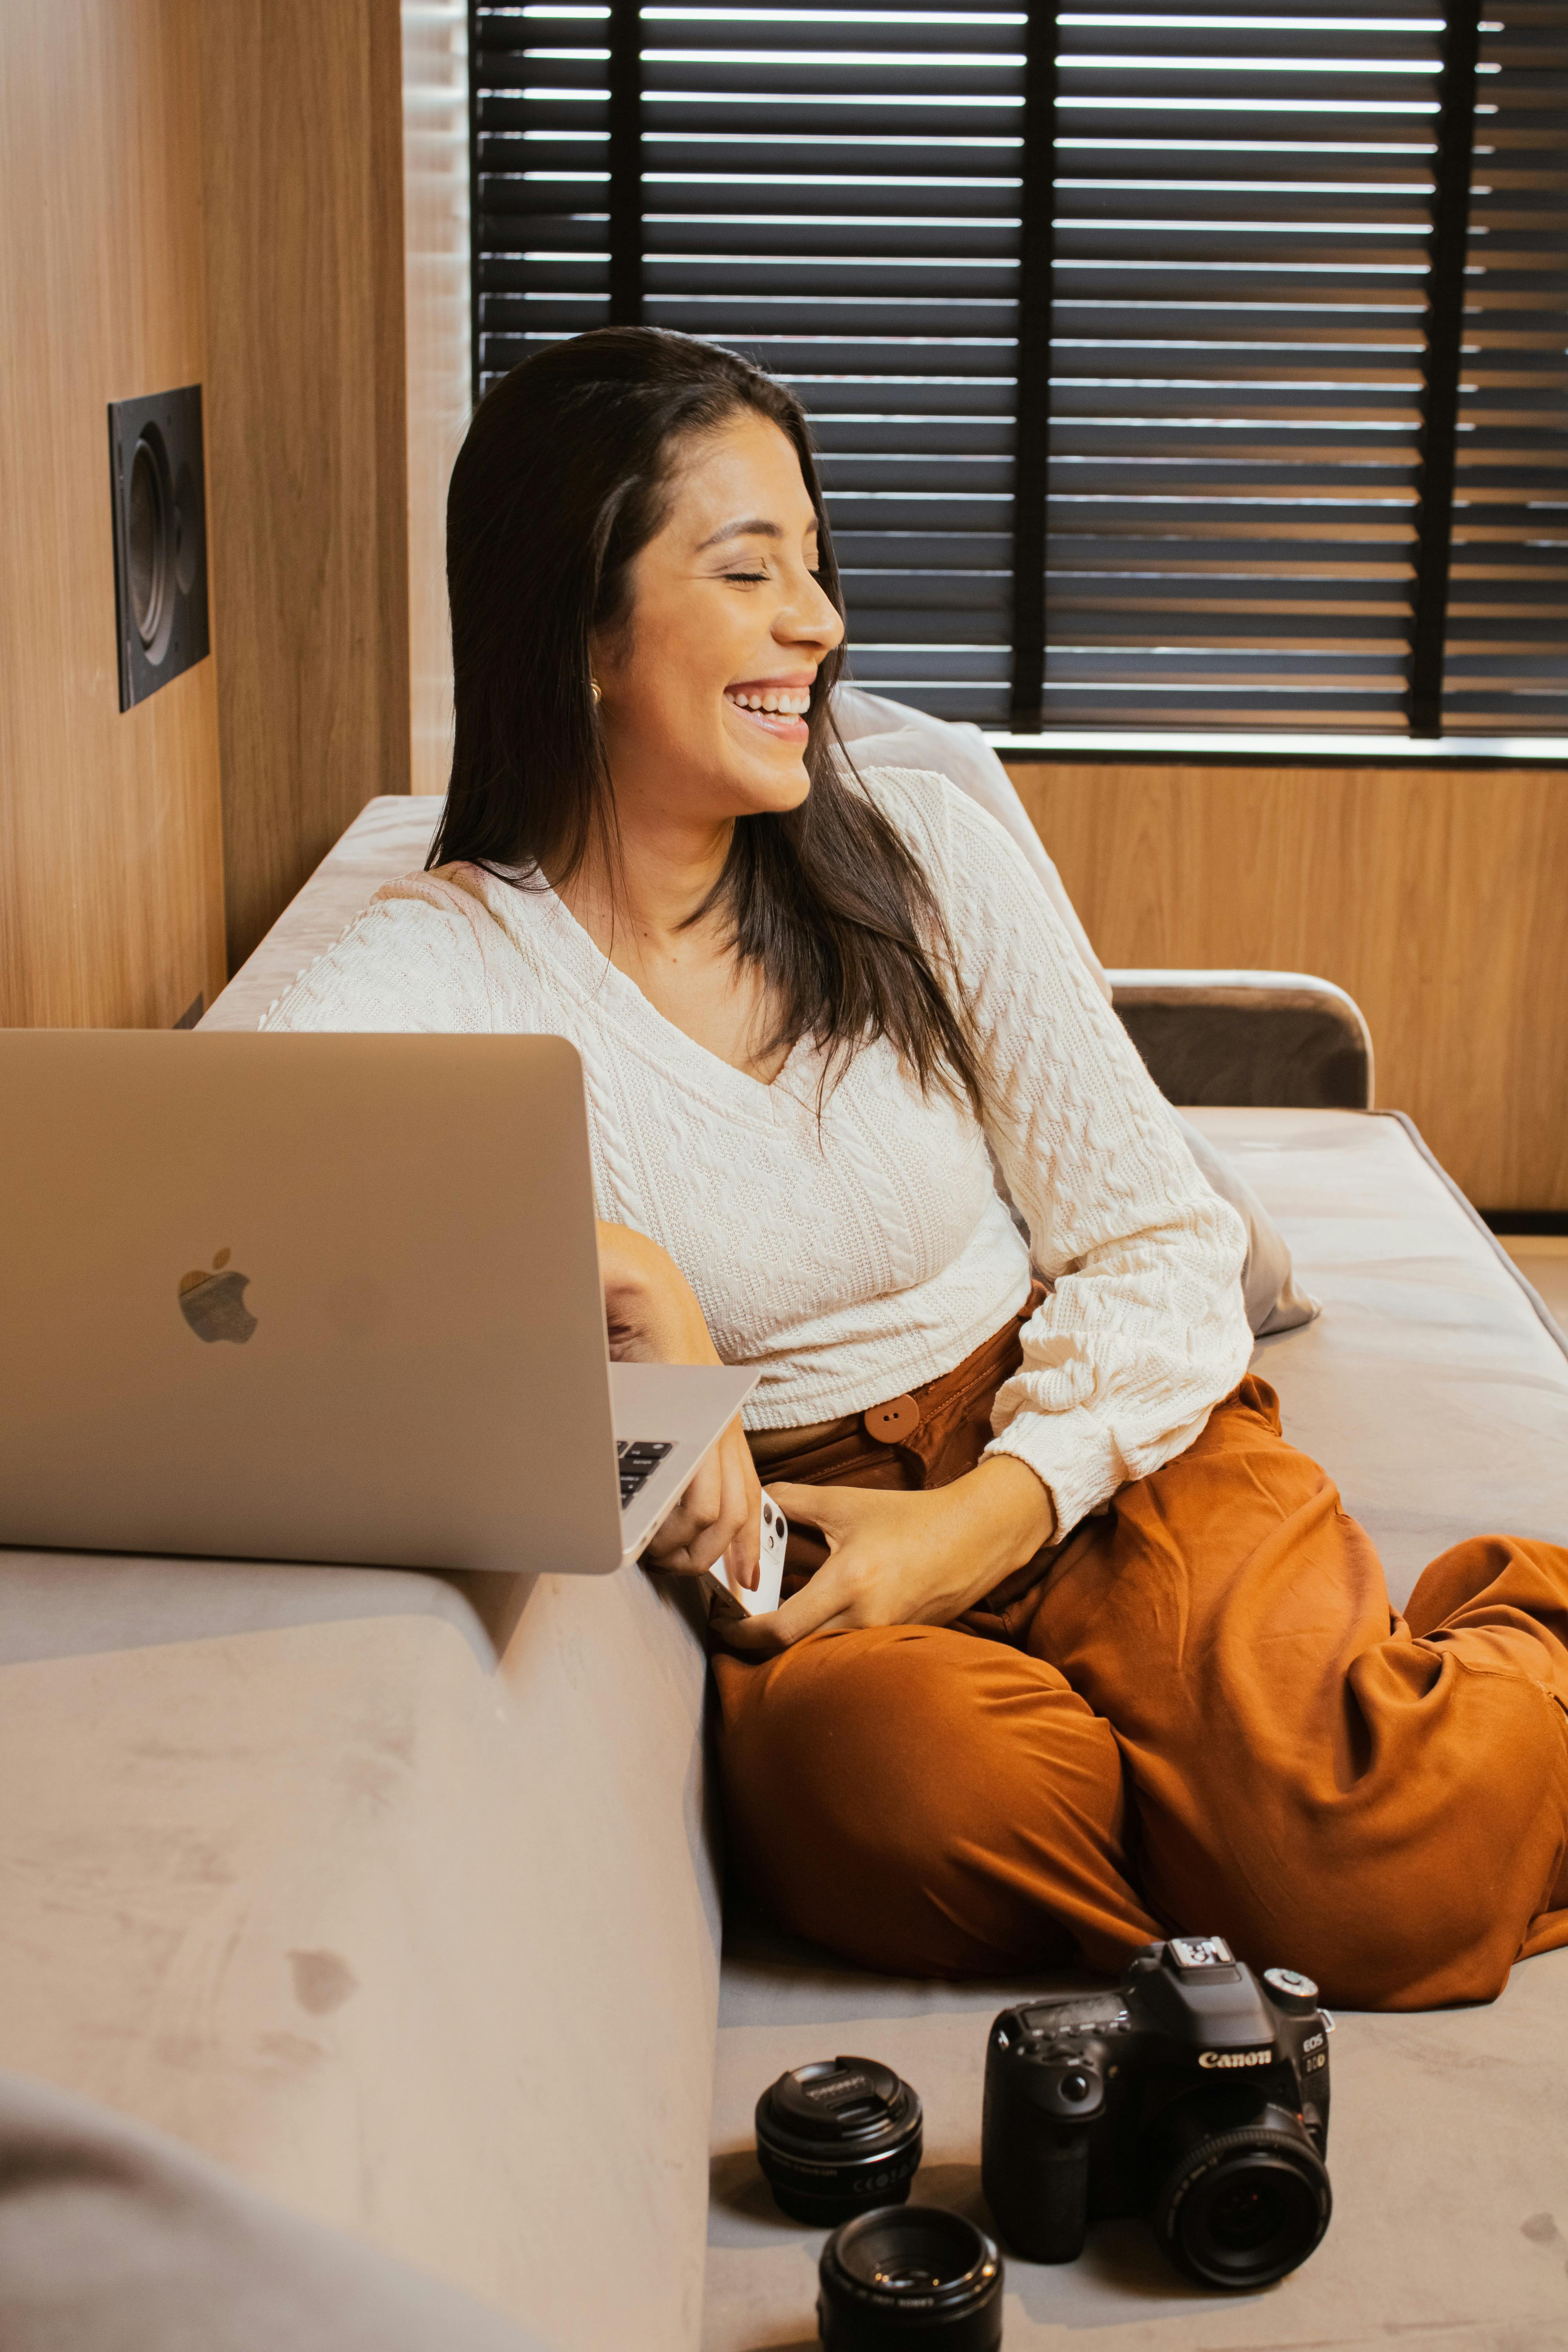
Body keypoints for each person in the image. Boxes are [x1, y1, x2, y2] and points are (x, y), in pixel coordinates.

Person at [264, 328, 1568, 2011]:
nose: (817, 621)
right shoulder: (442, 963)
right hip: (805, 1537)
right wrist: (619, 1278)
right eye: (749, 572)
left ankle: (1463, 1682)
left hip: (1081, 1429)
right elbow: (211, 1215)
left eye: (816, 563)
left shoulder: (917, 859)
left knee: (1377, 1879)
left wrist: (992, 1514)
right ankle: (1248, 1817)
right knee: (910, 1804)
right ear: (579, 627)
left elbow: (1155, 1237)